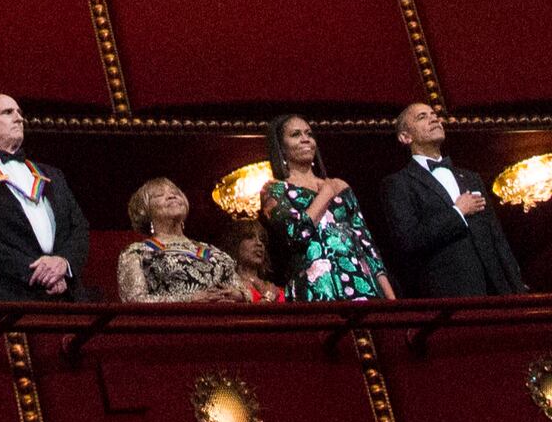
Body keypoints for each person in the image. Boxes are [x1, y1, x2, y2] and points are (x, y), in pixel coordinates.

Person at [368, 101, 523, 296]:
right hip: (450, 295)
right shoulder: (398, 184)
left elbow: (497, 239)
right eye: (422, 117)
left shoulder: (471, 178)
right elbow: (409, 240)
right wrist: (458, 213)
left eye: (434, 114)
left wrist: (516, 290)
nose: (434, 118)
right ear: (405, 137)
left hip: (497, 292)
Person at [0, 92, 79, 301]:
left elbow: (78, 226)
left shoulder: (52, 174)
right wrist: (36, 272)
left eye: (19, 112)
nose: (19, 118)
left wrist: (64, 263)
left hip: (66, 292)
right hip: (11, 293)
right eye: (8, 112)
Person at [258, 113, 392, 301]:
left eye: (309, 134)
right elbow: (296, 234)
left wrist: (391, 299)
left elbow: (367, 246)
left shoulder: (342, 187)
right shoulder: (275, 190)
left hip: (361, 285)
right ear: (281, 148)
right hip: (317, 290)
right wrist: (326, 193)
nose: (306, 139)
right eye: (296, 135)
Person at [116, 177, 259, 303]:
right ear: (145, 211)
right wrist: (189, 300)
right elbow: (135, 302)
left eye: (175, 193)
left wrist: (236, 295)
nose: (171, 196)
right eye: (159, 195)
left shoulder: (213, 251)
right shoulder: (137, 253)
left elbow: (246, 293)